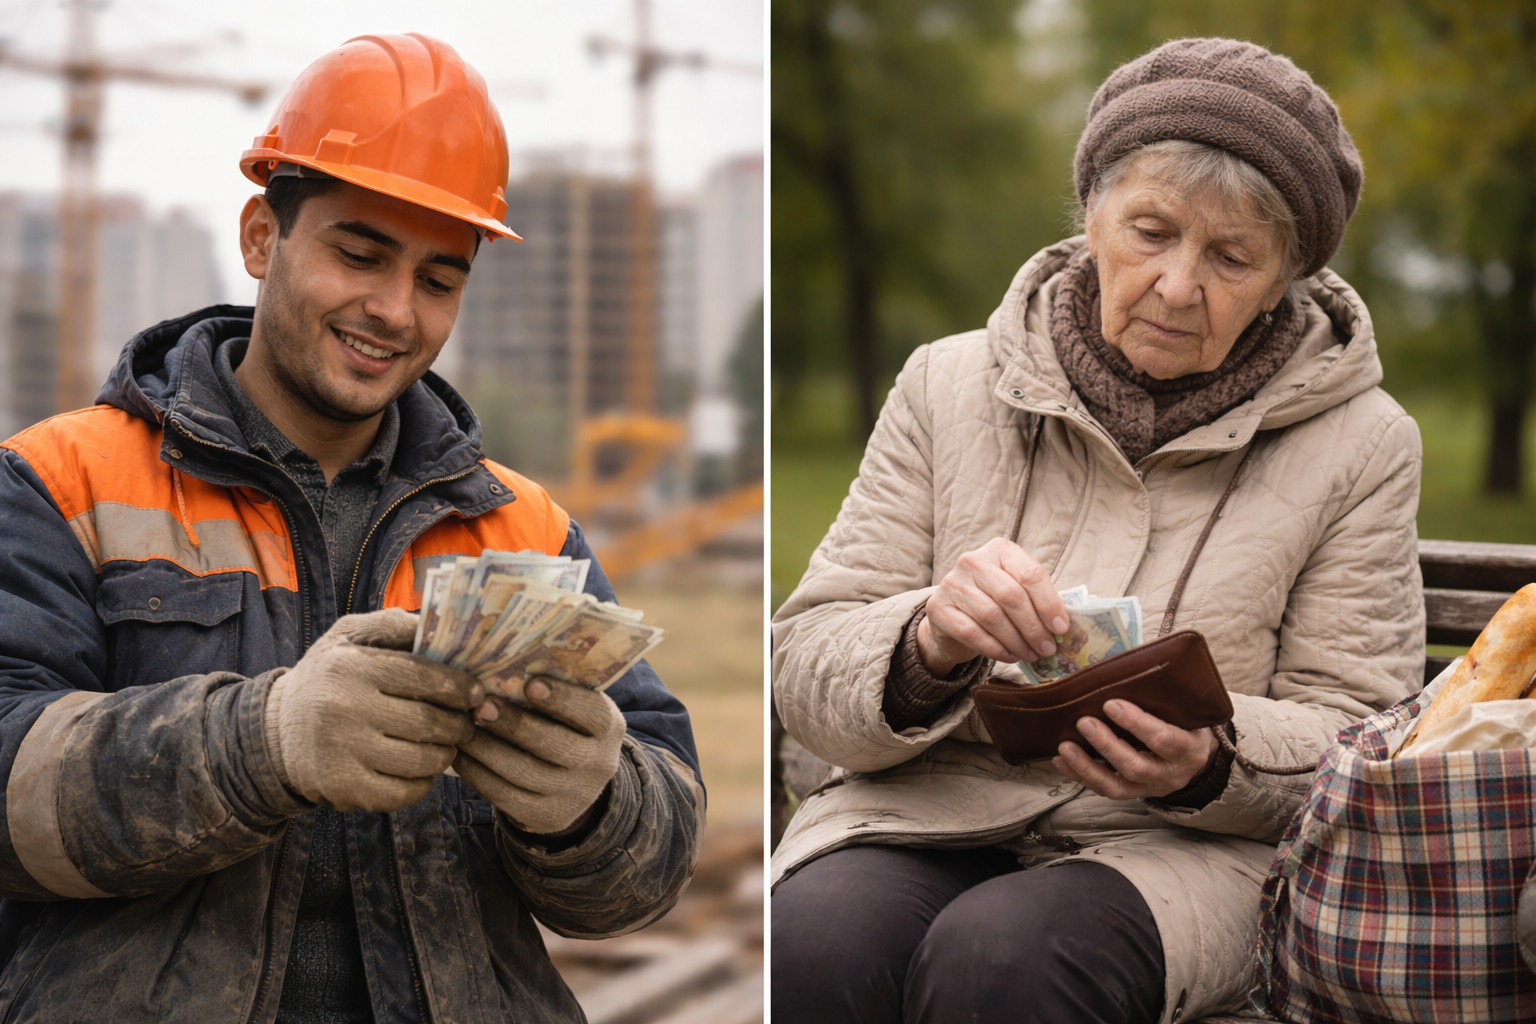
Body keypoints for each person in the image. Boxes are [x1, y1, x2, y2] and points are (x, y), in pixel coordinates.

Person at [0, 33, 703, 1024]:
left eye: (437, 278)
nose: (392, 311)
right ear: (260, 236)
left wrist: (589, 806)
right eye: (358, 252)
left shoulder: (525, 527)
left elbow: (651, 862)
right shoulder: (63, 480)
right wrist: (263, 742)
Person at [771, 37, 1422, 1024]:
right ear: (1090, 215)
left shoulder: (1364, 442)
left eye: (1232, 257)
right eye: (1150, 231)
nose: (1175, 285)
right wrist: (928, 639)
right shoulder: (946, 383)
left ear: (1287, 275)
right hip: (925, 810)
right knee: (812, 945)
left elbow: (1357, 726)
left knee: (1005, 962)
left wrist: (1209, 760)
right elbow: (810, 661)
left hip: (1187, 854)